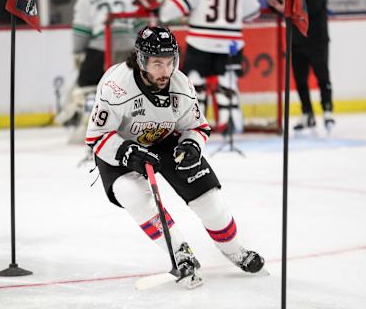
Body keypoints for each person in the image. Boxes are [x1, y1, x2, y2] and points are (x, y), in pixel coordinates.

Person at [85, 26, 264, 288]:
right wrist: (126, 153)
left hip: (166, 140)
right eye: (158, 63)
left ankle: (235, 250)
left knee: (210, 201)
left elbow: (198, 127)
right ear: (141, 60)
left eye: (170, 63)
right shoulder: (116, 86)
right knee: (131, 193)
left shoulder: (181, 85)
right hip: (121, 146)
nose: (165, 71)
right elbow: (97, 136)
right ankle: (180, 253)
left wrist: (191, 146)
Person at [134, 0, 261, 133]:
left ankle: (195, 126)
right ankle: (231, 124)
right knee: (228, 83)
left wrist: (160, 5)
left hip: (200, 41)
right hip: (231, 43)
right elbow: (254, 12)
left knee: (195, 84)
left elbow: (168, 12)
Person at [56, 0, 139, 143]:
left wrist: (78, 52)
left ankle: (88, 126)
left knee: (87, 86)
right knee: (131, 87)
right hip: (130, 49)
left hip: (101, 49)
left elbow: (81, 32)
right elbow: (142, 26)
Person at [267, 0, 335, 131]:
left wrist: (285, 6)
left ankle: (327, 110)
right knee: (300, 80)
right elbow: (280, 0)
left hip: (317, 39)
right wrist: (274, 4)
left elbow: (311, 8)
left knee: (322, 76)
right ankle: (307, 113)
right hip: (296, 41)